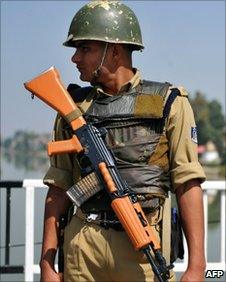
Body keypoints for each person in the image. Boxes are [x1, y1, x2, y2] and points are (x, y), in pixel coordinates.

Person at [40, 1, 206, 281]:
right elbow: (59, 185)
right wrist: (46, 262)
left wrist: (197, 266)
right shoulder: (72, 108)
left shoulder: (169, 103)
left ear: (114, 50)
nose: (75, 58)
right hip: (82, 246)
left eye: (85, 48)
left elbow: (187, 183)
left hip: (141, 247)